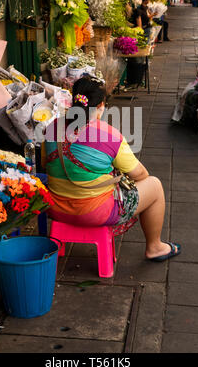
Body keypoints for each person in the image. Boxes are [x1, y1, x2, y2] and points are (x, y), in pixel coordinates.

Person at [42, 76, 181, 262]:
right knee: (154, 185)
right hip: (94, 212)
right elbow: (141, 174)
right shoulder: (109, 135)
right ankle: (155, 247)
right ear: (101, 105)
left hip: (55, 208)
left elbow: (45, 163)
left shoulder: (52, 127)